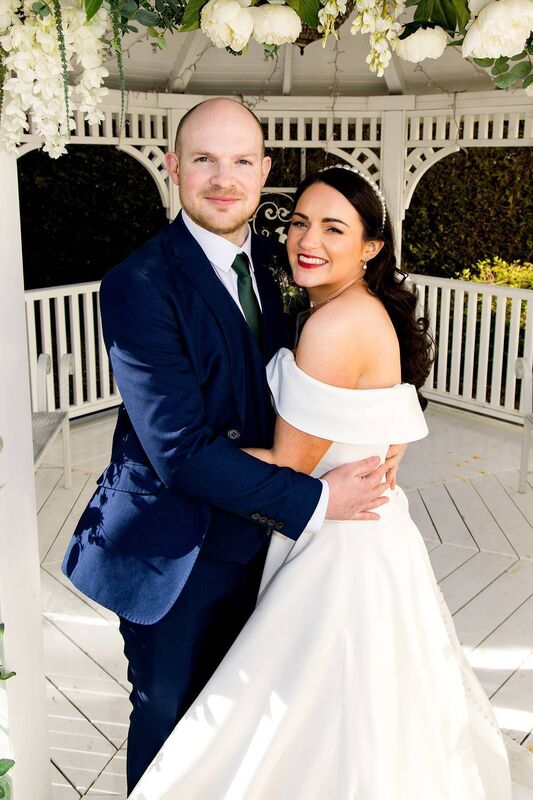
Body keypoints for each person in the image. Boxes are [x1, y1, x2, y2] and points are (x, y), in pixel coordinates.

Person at [129, 166, 533, 799]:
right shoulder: (352, 310)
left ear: (371, 247)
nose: (305, 240)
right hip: (368, 534)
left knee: (303, 716)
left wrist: (173, 458)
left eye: (333, 228)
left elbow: (289, 463)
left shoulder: (334, 324)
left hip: (340, 548)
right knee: (361, 715)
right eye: (298, 222)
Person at [61, 99, 404, 794]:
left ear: (264, 170)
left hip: (269, 546)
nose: (224, 178)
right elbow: (181, 451)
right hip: (175, 552)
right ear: (173, 167)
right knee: (172, 735)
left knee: (247, 732)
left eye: (241, 160)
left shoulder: (286, 266)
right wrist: (314, 496)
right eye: (204, 159)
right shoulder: (140, 282)